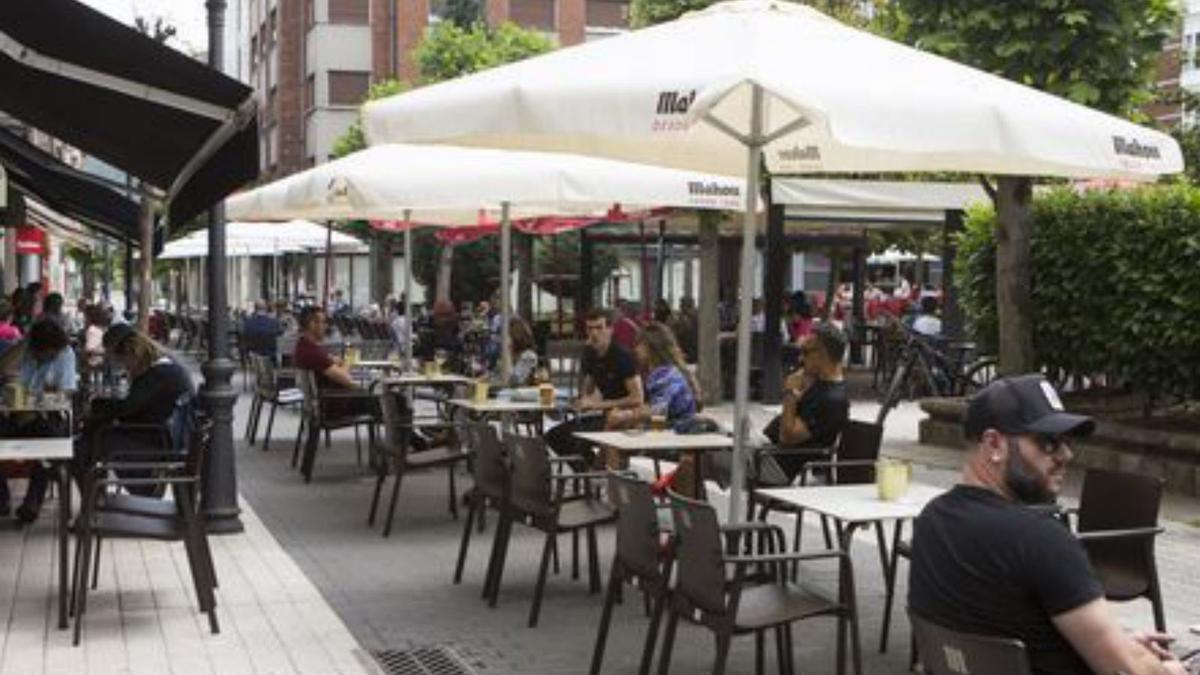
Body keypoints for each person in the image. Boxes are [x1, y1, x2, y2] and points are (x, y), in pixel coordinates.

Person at [909, 375, 1187, 675]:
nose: (1066, 455)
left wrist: (1118, 642)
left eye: (1065, 442)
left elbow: (1000, 628)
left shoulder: (931, 521)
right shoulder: (1041, 540)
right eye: (1048, 443)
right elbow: (1130, 669)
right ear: (994, 444)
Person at [79, 325, 194, 496]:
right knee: (92, 434)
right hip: (160, 435)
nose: (124, 367)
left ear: (131, 354)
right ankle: (94, 498)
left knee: (91, 442)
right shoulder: (164, 367)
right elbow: (134, 406)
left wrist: (95, 405)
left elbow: (127, 407)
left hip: (158, 442)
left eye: (122, 361)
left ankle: (94, 499)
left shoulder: (159, 374)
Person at [543, 309, 643, 466]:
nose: (594, 333)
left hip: (626, 417)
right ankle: (588, 472)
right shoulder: (590, 353)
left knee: (576, 440)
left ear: (610, 329)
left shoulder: (622, 356)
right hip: (605, 415)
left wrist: (597, 405)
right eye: (590, 328)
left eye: (599, 328)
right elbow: (587, 390)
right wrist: (580, 401)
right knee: (554, 435)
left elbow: (637, 399)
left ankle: (591, 473)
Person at [0, 320, 77, 523]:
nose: (50, 356)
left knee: (49, 443)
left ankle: (32, 502)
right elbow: (3, 368)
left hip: (45, 418)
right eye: (45, 353)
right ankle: (1, 499)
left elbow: (64, 395)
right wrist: (24, 344)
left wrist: (31, 404)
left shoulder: (65, 353)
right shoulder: (25, 351)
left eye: (53, 352)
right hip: (15, 415)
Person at [758, 322, 850, 483]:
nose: (801, 358)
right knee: (710, 456)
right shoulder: (818, 384)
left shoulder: (832, 400)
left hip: (782, 471)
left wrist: (790, 394)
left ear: (823, 355)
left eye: (806, 352)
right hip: (768, 455)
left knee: (708, 461)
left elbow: (787, 436)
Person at [505, 316, 540, 387]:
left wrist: (507, 357)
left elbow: (515, 380)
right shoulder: (514, 354)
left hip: (522, 395)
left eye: (508, 335)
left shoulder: (528, 356)